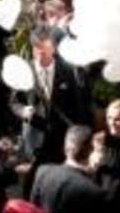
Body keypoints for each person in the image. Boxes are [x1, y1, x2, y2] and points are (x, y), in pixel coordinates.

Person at [10, 26, 93, 190]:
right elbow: (13, 103)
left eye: (45, 50)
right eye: (37, 50)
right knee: (33, 184)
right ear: (32, 49)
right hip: (35, 138)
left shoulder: (68, 71)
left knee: (62, 183)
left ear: (54, 48)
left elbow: (79, 106)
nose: (41, 55)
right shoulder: (25, 71)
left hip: (61, 138)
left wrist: (81, 136)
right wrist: (23, 111)